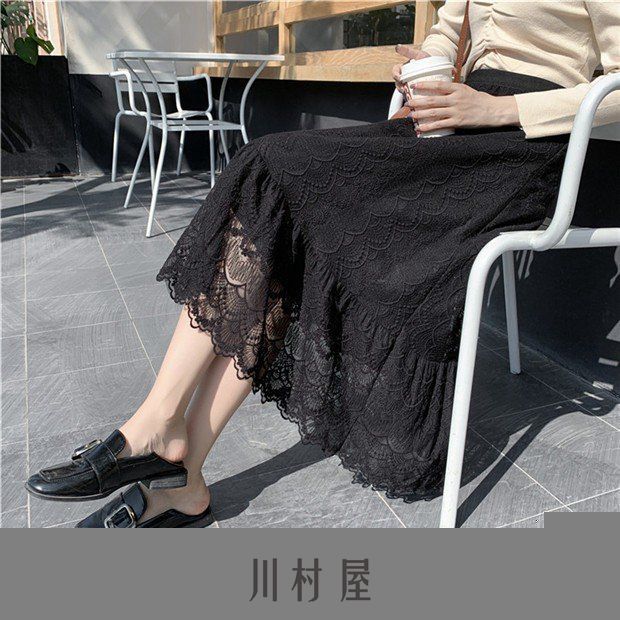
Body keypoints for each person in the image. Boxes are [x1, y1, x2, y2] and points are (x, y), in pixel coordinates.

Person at [26, 1, 620, 527]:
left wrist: (495, 108)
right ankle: (179, 460)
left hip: (519, 147)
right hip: (449, 128)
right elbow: (446, 35)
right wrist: (426, 66)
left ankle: (161, 437)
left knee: (271, 165)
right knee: (277, 207)